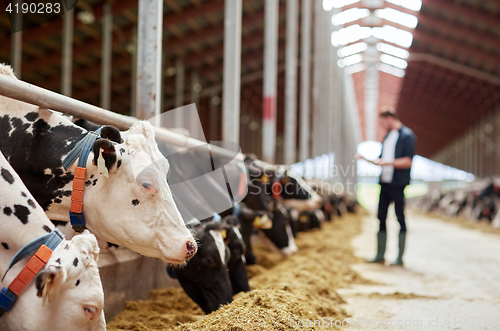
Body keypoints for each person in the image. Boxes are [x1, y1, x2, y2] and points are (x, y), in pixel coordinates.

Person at [357, 107, 416, 265]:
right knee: (381, 217)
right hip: (384, 183)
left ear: (389, 118)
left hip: (398, 184)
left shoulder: (407, 136)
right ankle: (380, 255)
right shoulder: (387, 137)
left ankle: (399, 257)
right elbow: (380, 161)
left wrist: (387, 162)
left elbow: (408, 161)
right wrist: (364, 158)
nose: (382, 126)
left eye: (382, 122)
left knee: (399, 218)